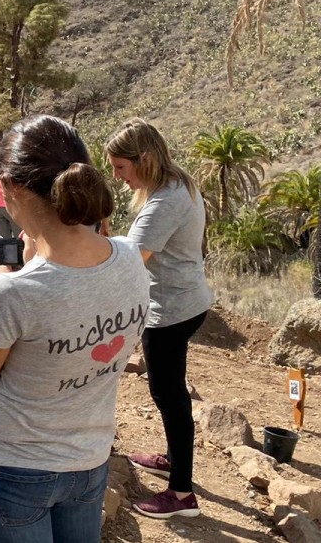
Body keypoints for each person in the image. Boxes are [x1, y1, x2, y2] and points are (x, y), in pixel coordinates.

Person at [0, 115, 149, 542]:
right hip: (89, 459)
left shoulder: (13, 290)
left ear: (10, 187)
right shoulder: (129, 256)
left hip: (11, 465)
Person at [107, 118, 211, 519]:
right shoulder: (177, 182)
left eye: (121, 167)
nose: (118, 176)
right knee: (169, 393)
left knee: (169, 396)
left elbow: (130, 264)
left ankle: (182, 494)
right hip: (185, 301)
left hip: (169, 311)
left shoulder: (164, 202)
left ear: (145, 159)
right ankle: (173, 458)